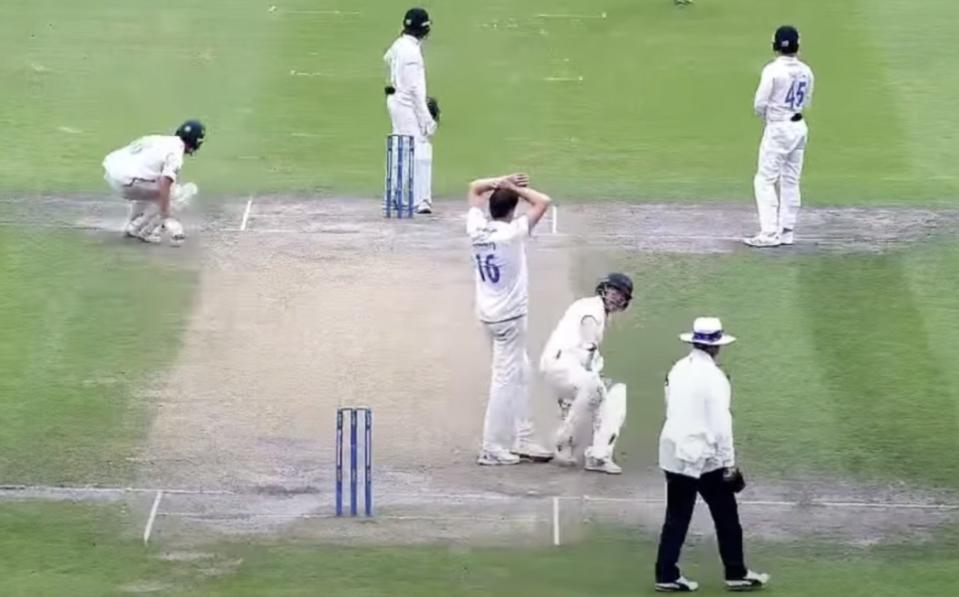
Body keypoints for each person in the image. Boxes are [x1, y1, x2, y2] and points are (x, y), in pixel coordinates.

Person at [654, 317, 769, 592]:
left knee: (676, 517)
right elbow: (721, 423)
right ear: (716, 347)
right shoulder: (715, 378)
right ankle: (736, 572)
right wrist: (729, 463)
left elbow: (671, 402)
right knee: (726, 515)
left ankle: (666, 574)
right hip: (702, 455)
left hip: (672, 449)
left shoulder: (678, 368)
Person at [467, 173, 554, 465]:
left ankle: (523, 436)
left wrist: (500, 181)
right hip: (510, 319)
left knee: (522, 371)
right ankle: (492, 447)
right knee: (505, 381)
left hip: (488, 315)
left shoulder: (476, 228)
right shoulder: (512, 233)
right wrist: (513, 187)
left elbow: (474, 188)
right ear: (512, 210)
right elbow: (543, 201)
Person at [540, 273, 633, 474]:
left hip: (562, 368)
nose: (617, 297)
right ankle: (563, 440)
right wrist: (589, 342)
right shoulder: (593, 307)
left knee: (612, 392)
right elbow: (587, 323)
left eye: (622, 295)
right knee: (594, 388)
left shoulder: (592, 308)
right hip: (563, 364)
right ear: (604, 289)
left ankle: (598, 454)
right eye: (615, 291)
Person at [745, 25, 815, 248]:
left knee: (764, 179)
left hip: (778, 127)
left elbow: (759, 104)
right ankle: (786, 230)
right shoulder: (806, 71)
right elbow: (807, 101)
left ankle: (769, 233)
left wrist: (769, 118)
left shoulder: (772, 70)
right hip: (799, 126)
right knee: (791, 179)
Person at [102, 120, 206, 245]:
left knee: (149, 185)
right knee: (177, 193)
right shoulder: (176, 153)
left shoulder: (158, 139)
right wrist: (166, 217)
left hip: (112, 174)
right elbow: (164, 184)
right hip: (127, 183)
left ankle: (132, 225)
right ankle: (144, 231)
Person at [384, 7, 437, 215]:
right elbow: (415, 91)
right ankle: (422, 200)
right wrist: (427, 121)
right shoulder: (412, 52)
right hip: (407, 105)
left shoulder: (399, 44)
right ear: (424, 29)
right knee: (421, 147)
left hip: (395, 101)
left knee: (401, 145)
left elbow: (387, 58)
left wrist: (393, 81)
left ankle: (398, 195)